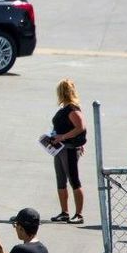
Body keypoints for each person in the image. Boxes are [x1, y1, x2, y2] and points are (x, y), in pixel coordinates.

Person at [49, 78, 87, 224]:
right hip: (60, 149)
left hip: (69, 148)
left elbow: (80, 127)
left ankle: (79, 214)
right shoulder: (65, 108)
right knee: (61, 180)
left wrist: (62, 137)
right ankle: (64, 212)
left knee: (74, 180)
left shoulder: (72, 109)